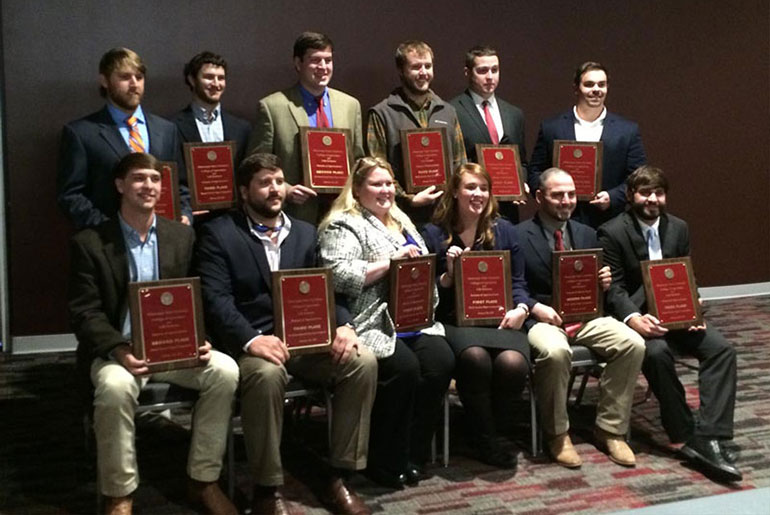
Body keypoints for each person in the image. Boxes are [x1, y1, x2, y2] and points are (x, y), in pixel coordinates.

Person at [195, 153, 376, 514]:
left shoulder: (306, 232)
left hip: (306, 339)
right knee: (265, 375)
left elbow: (329, 289)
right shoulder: (219, 234)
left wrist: (344, 324)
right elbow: (216, 301)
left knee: (363, 361)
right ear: (244, 191)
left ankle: (339, 474)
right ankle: (268, 486)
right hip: (253, 343)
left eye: (279, 180)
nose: (274, 189)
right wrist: (252, 340)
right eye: (264, 182)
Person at [68, 152, 239, 515]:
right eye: (139, 179)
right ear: (120, 186)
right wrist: (118, 349)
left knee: (225, 372)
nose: (149, 186)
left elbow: (199, 296)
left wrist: (201, 337)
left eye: (155, 179)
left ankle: (203, 480)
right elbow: (85, 312)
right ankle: (119, 493)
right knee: (114, 388)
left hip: (174, 349)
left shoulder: (181, 236)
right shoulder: (90, 242)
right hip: (119, 351)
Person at [317, 156, 455, 489]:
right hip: (372, 321)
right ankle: (383, 458)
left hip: (414, 318)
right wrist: (388, 263)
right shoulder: (343, 224)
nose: (385, 190)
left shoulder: (402, 220)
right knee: (403, 368)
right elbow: (338, 275)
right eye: (376, 184)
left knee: (441, 361)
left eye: (389, 183)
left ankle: (413, 453)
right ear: (357, 188)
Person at [598, 165, 742, 482]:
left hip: (679, 316)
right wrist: (634, 319)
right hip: (640, 318)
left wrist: (694, 305)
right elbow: (616, 289)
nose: (653, 199)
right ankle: (682, 432)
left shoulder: (679, 228)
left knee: (722, 350)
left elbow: (686, 275)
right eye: (645, 192)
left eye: (659, 193)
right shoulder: (613, 231)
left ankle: (710, 435)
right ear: (632, 196)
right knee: (657, 354)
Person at [515, 168, 645, 468]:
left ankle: (610, 429)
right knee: (555, 352)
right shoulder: (520, 235)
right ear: (539, 197)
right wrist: (534, 308)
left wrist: (604, 281)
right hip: (543, 318)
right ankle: (557, 434)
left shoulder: (587, 233)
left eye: (571, 194)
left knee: (632, 344)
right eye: (557, 194)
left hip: (586, 316)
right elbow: (511, 286)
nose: (566, 201)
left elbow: (597, 286)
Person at [421, 163, 531, 469]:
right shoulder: (432, 233)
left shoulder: (504, 229)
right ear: (455, 191)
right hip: (454, 320)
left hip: (501, 318)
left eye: (483, 188)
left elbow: (520, 282)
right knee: (475, 359)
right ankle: (484, 440)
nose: (477, 194)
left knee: (513, 364)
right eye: (470, 187)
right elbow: (425, 294)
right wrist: (449, 277)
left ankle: (486, 428)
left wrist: (521, 309)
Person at [58, 47, 192, 229]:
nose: (134, 84)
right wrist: (111, 229)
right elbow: (71, 196)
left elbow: (180, 185)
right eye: (125, 77)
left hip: (162, 238)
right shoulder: (81, 133)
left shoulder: (166, 130)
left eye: (139, 77)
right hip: (108, 245)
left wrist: (184, 214)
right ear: (104, 81)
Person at [247, 32, 365, 223]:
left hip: (343, 214)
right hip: (296, 215)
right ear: (298, 63)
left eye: (328, 60)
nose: (323, 67)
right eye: (315, 60)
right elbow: (256, 165)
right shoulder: (272, 107)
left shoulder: (350, 105)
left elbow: (358, 159)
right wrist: (284, 189)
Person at [528, 61, 646, 228]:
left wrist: (613, 197)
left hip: (610, 221)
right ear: (576, 88)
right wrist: (550, 198)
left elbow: (638, 176)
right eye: (589, 84)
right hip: (561, 221)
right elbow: (535, 171)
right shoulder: (551, 128)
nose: (596, 89)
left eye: (602, 84)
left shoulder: (627, 130)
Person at [367, 40, 467, 223]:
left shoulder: (448, 111)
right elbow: (377, 168)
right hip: (400, 217)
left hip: (446, 217)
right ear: (401, 70)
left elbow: (460, 163)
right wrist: (408, 199)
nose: (423, 73)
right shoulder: (382, 113)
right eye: (416, 67)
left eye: (428, 66)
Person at [450, 46, 528, 223]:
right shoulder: (452, 110)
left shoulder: (514, 114)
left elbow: (522, 161)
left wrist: (520, 183)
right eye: (482, 70)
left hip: (508, 210)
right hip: (471, 209)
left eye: (495, 70)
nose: (490, 77)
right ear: (467, 72)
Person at [172, 51, 252, 168]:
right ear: (192, 80)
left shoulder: (242, 129)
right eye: (209, 77)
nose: (216, 84)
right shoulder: (172, 127)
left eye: (221, 78)